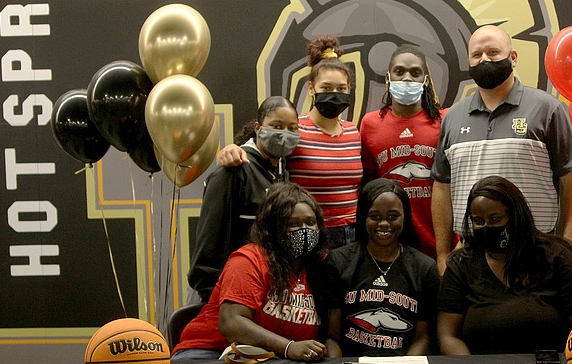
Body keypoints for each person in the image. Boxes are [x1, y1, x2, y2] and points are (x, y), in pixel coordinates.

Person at [431, 24, 572, 274]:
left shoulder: (547, 109)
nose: (484, 60)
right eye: (477, 55)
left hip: (536, 255)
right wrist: (442, 255)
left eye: (493, 52)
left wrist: (569, 249)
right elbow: (442, 186)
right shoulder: (453, 117)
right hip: (472, 258)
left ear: (512, 58)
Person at [217, 35, 362, 249]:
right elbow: (260, 149)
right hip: (310, 232)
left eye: (341, 89)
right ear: (311, 88)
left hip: (353, 234)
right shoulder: (295, 129)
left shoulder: (354, 132)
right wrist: (232, 149)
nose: (334, 94)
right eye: (327, 87)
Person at [173, 182, 341, 361]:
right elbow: (231, 323)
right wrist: (288, 347)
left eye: (310, 222)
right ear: (273, 229)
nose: (304, 230)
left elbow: (331, 336)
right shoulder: (249, 260)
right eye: (293, 224)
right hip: (210, 353)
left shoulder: (320, 268)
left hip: (272, 361)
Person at [437, 176, 572, 355]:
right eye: (478, 221)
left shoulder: (556, 257)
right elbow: (448, 336)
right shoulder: (461, 264)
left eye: (495, 219)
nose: (486, 227)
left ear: (516, 216)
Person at [188, 97, 300, 302]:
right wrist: (212, 297)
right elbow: (210, 241)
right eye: (276, 126)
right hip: (226, 295)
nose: (284, 134)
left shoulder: (282, 172)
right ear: (258, 127)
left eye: (292, 128)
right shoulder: (233, 172)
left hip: (263, 290)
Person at [328, 178, 440, 356]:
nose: (384, 224)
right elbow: (331, 337)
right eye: (375, 217)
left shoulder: (424, 268)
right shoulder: (339, 261)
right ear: (363, 216)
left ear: (405, 217)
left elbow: (423, 338)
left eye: (393, 217)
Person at [359, 44, 445, 260]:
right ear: (388, 77)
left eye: (415, 73)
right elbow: (368, 184)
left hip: (437, 242)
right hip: (388, 242)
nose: (407, 79)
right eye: (400, 72)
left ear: (425, 80)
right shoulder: (370, 124)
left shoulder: (443, 121)